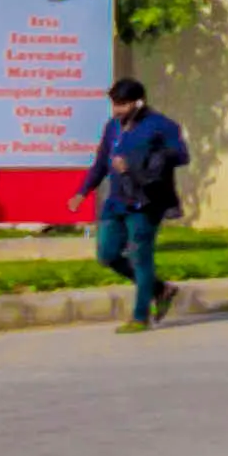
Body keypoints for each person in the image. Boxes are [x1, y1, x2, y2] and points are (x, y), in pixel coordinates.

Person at [90, 77, 189, 332]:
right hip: (116, 201)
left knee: (140, 256)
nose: (117, 110)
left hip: (146, 201)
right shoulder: (113, 127)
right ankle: (160, 289)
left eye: (122, 104)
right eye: (114, 104)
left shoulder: (161, 125)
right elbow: (102, 161)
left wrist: (138, 164)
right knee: (107, 254)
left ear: (138, 102)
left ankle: (140, 317)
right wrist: (82, 191)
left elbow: (180, 155)